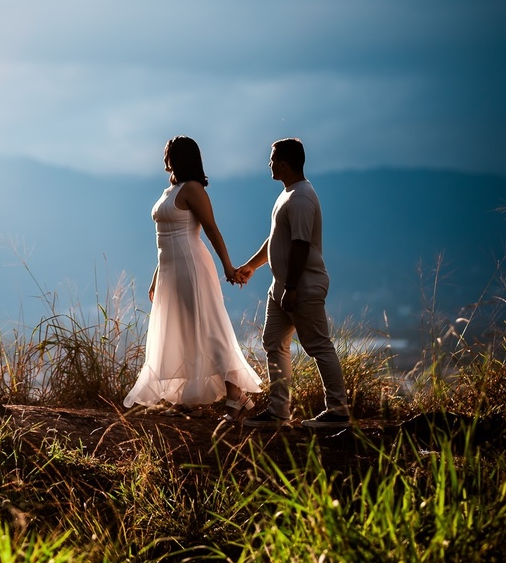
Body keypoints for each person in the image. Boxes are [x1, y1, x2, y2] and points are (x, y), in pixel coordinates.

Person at [123, 136, 263, 417]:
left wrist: (227, 266)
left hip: (191, 267)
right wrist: (156, 276)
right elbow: (165, 239)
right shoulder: (171, 190)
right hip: (170, 270)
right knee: (184, 329)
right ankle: (189, 398)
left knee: (208, 327)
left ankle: (235, 393)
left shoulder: (193, 189)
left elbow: (211, 229)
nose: (165, 157)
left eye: (169, 153)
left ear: (178, 157)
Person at [237, 138, 351, 429]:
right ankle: (278, 411)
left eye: (273, 159)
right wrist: (251, 266)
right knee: (273, 343)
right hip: (282, 288)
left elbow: (301, 244)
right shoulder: (288, 194)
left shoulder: (301, 198)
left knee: (319, 346)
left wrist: (291, 287)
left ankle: (338, 411)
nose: (269, 164)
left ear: (284, 164)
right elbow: (276, 239)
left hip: (301, 287)